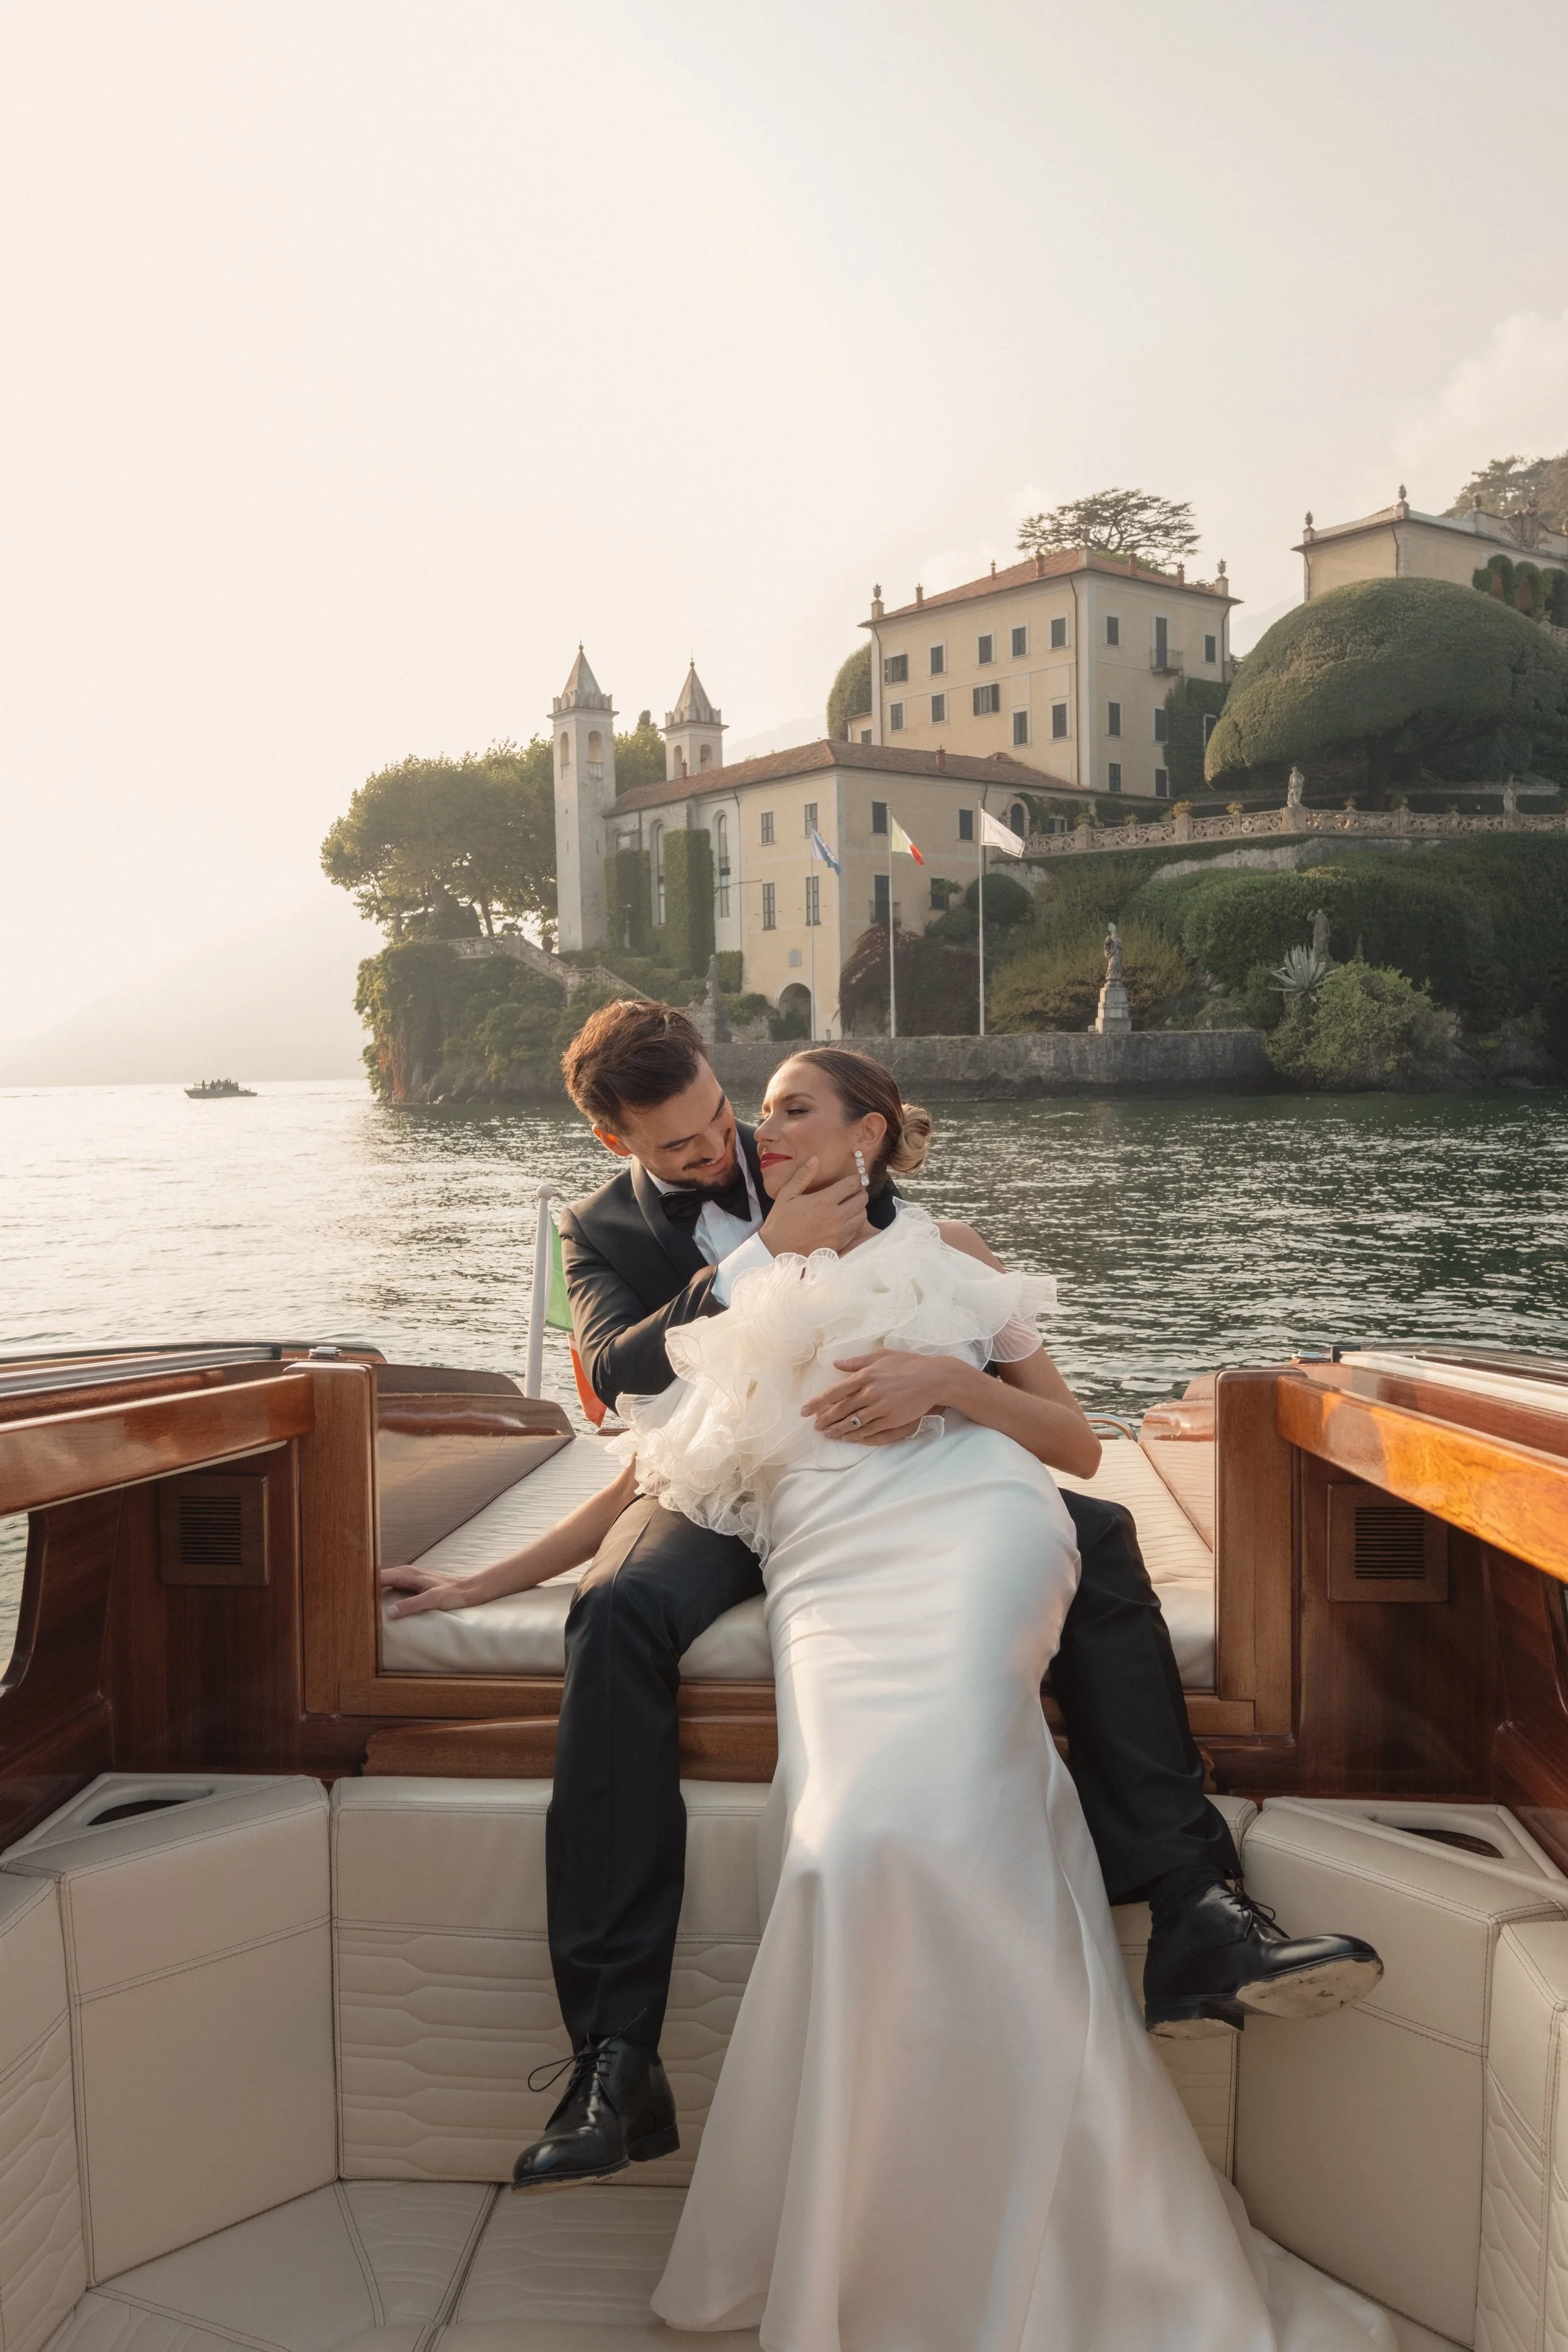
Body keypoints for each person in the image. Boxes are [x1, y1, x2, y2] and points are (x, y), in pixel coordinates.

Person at [382, 1002, 1381, 2208]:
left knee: (1095, 1535)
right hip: (709, 1476)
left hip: (881, 1470)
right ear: (617, 1146)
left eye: (723, 1115)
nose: (726, 1152)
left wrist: (949, 1389)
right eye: (686, 1146)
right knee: (617, 1616)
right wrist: (492, 1576)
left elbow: (973, 1325)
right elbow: (616, 1375)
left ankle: (1191, 1900)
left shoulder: (812, 1137)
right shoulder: (600, 1232)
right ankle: (616, 2054)